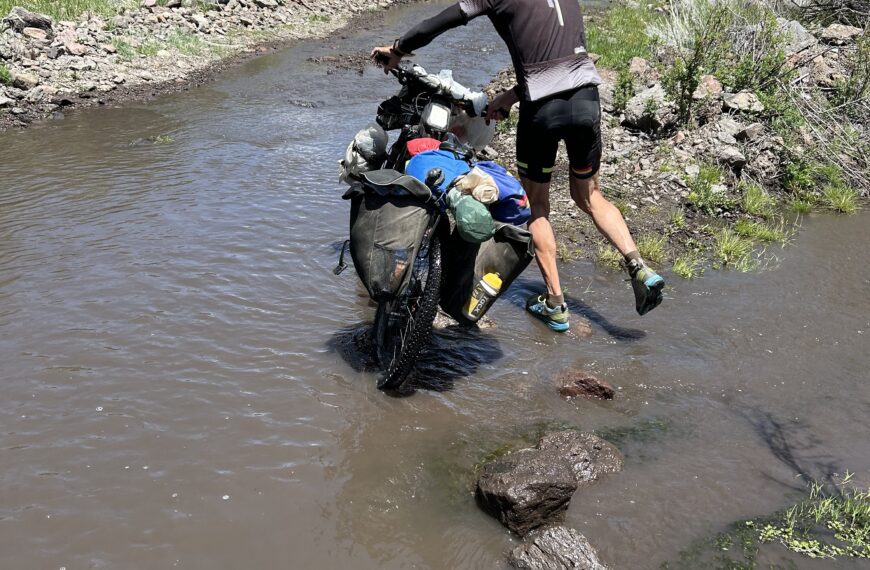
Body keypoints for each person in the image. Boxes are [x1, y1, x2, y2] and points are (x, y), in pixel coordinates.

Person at [371, 0, 664, 332]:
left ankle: (555, 304)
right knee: (590, 196)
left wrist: (397, 48)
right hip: (586, 100)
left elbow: (443, 21)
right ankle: (639, 266)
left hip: (542, 111)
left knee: (536, 206)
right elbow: (555, 63)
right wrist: (508, 98)